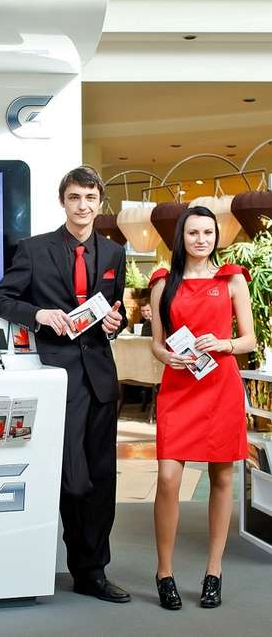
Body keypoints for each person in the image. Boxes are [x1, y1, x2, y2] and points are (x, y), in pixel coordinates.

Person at [0, 165, 130, 603]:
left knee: (102, 480)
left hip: (101, 378)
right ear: (63, 201)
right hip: (57, 376)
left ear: (99, 203)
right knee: (74, 480)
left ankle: (92, 572)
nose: (83, 206)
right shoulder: (34, 250)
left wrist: (116, 322)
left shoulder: (114, 253)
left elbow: (116, 310)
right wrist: (39, 315)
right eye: (74, 197)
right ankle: (71, 560)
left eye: (90, 198)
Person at [148, 206, 254, 611]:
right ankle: (164, 572)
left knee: (222, 477)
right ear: (181, 237)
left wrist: (224, 343)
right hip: (178, 387)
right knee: (168, 478)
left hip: (220, 386)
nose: (201, 240)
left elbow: (249, 340)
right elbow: (158, 343)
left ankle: (214, 571)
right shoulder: (163, 282)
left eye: (208, 232)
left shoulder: (232, 279)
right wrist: (166, 356)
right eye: (193, 233)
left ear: (215, 236)